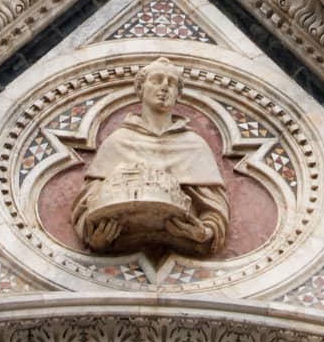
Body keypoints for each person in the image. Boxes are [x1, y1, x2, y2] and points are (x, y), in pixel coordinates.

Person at [71, 56, 229, 255]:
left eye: (171, 83)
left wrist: (204, 233)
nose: (164, 87)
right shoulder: (119, 141)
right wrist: (94, 236)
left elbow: (215, 209)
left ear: (177, 94)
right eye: (157, 80)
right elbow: (88, 203)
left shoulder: (195, 146)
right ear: (141, 89)